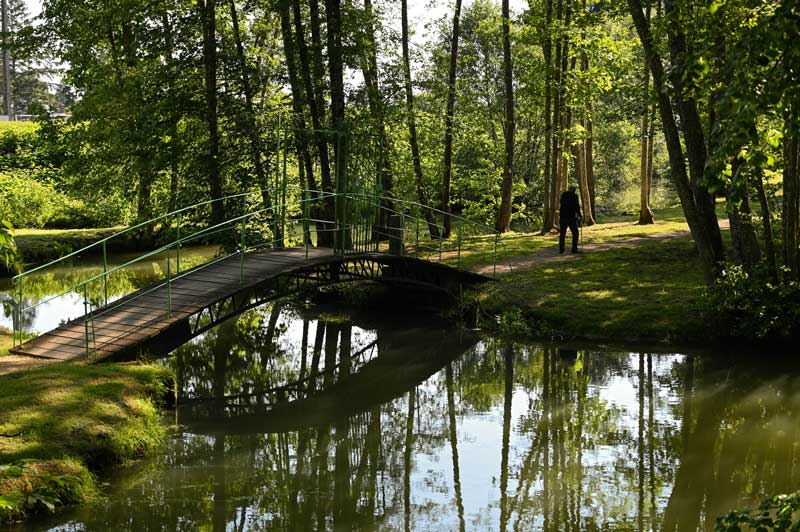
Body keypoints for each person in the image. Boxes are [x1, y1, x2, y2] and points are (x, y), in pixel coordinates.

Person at [559, 185, 581, 254]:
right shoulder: (575, 196)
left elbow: (561, 203)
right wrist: (580, 215)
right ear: (574, 190)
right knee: (575, 233)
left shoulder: (563, 195)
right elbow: (577, 206)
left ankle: (561, 249)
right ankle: (574, 249)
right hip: (571, 217)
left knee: (562, 234)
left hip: (563, 217)